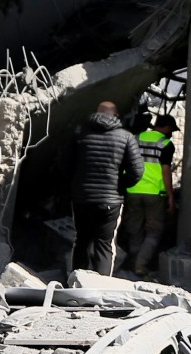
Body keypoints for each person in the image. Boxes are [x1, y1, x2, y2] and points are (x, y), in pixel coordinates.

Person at [70, 100, 144, 276]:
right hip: (110, 201)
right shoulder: (126, 137)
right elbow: (137, 171)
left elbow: (65, 164)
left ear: (96, 113)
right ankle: (100, 286)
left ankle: (75, 283)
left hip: (82, 198)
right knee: (104, 244)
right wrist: (120, 185)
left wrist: (78, 184)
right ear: (116, 115)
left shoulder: (80, 134)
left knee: (81, 240)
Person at [120, 114, 177, 275]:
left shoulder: (135, 138)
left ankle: (133, 259)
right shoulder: (165, 144)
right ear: (166, 128)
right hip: (154, 194)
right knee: (154, 230)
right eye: (171, 130)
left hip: (132, 190)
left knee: (134, 227)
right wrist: (171, 196)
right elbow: (166, 171)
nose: (171, 134)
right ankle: (141, 263)